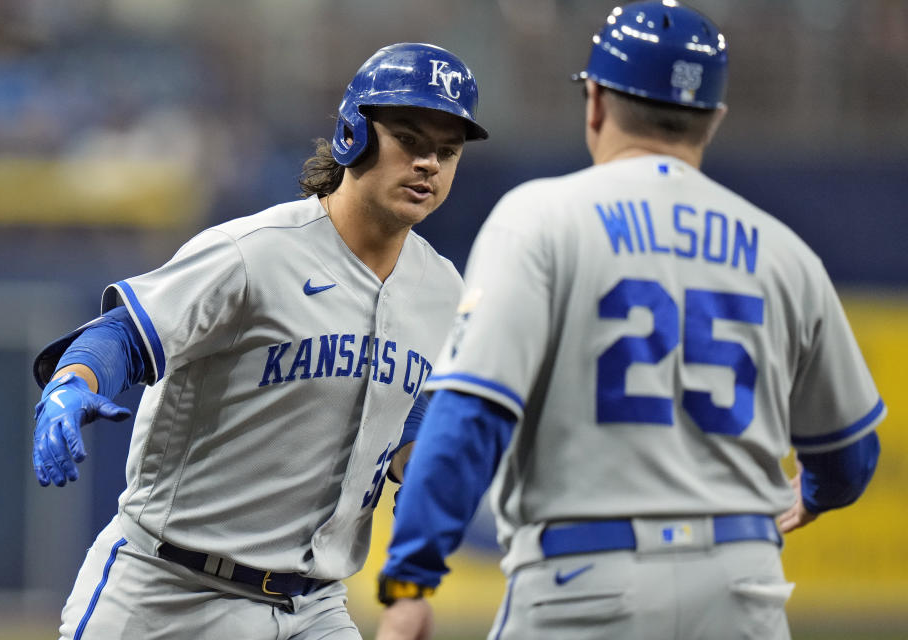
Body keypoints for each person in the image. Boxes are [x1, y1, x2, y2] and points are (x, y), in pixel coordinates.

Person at [374, 3, 884, 640]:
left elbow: (470, 414)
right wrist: (813, 494)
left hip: (584, 583)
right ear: (714, 119)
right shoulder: (785, 251)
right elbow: (851, 455)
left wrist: (410, 577)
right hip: (739, 587)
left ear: (595, 101)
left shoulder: (540, 218)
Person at [30, 42, 488, 640]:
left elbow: (411, 421)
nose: (428, 163)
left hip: (313, 607)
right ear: (354, 134)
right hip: (168, 592)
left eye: (446, 151)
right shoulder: (257, 251)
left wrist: (428, 465)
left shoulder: (442, 288)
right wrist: (71, 383)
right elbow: (123, 335)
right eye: (410, 139)